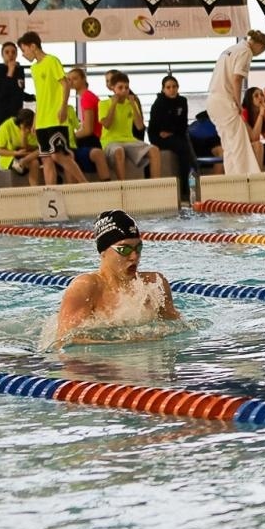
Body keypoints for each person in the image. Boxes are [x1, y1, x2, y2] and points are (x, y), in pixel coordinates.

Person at [55, 210, 180, 346]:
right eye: (124, 249)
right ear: (103, 252)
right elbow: (64, 340)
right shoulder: (86, 287)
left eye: (138, 248)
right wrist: (125, 342)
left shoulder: (154, 283)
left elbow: (178, 327)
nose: (134, 256)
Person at [17, 31, 85, 185]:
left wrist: (63, 108)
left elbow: (65, 84)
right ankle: (51, 194)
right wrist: (35, 120)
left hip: (55, 118)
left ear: (33, 46)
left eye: (24, 50)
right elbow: (40, 96)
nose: (23, 54)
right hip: (42, 120)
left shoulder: (52, 61)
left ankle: (84, 183)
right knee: (46, 158)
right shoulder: (34, 69)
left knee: (59, 155)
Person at [208, 30, 265, 176]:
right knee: (240, 145)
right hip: (225, 101)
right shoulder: (245, 51)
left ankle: (232, 182)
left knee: (229, 147)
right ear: (260, 46)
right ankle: (247, 182)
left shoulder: (230, 50)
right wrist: (238, 103)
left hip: (212, 101)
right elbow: (237, 79)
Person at [99, 70, 160, 181]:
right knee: (119, 151)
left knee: (154, 150)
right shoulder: (104, 104)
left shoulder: (132, 103)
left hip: (129, 140)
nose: (124, 90)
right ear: (113, 88)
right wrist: (113, 104)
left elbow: (140, 126)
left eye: (126, 88)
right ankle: (123, 187)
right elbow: (107, 124)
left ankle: (156, 185)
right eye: (120, 87)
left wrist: (132, 104)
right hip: (110, 141)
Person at [149, 74, 196, 202]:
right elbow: (158, 128)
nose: (172, 90)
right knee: (183, 147)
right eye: (168, 87)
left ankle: (193, 182)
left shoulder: (182, 101)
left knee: (187, 146)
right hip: (157, 137)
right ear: (163, 89)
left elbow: (182, 125)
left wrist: (171, 130)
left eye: (174, 87)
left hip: (176, 135)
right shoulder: (159, 103)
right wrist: (171, 128)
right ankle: (185, 189)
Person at [63, 67, 111, 181]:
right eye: (69, 79)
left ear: (83, 79)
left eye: (75, 78)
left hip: (92, 140)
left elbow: (88, 130)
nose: (71, 82)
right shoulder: (86, 97)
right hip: (92, 138)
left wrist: (71, 137)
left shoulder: (87, 98)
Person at [0, 41, 31, 136]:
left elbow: (19, 92)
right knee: (5, 145)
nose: (10, 55)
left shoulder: (19, 70)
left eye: (13, 52)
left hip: (16, 114)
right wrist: (10, 72)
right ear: (2, 55)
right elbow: (0, 94)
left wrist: (34, 97)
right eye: (7, 52)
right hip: (1, 114)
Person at [0, 108, 43, 186]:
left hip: (28, 155)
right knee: (34, 162)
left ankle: (35, 190)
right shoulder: (7, 126)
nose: (28, 130)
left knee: (36, 160)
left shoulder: (33, 128)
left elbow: (32, 148)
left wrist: (24, 136)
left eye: (30, 127)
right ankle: (35, 189)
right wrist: (16, 153)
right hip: (10, 156)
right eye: (26, 127)